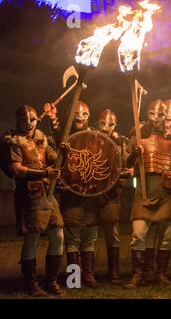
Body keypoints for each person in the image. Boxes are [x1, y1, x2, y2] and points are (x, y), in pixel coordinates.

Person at [0, 105, 64, 296]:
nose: (28, 124)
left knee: (58, 235)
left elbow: (55, 159)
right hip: (29, 194)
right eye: (24, 121)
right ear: (17, 121)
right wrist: (45, 172)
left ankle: (51, 281)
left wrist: (64, 151)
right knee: (33, 238)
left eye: (33, 120)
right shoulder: (13, 141)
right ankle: (31, 283)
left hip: (48, 193)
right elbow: (17, 170)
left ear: (38, 120)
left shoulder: (42, 139)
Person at [125, 99, 171, 288]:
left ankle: (160, 274)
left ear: (167, 117)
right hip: (144, 191)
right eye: (153, 114)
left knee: (165, 237)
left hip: (166, 193)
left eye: (161, 115)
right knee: (138, 234)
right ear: (148, 115)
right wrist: (134, 154)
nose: (157, 118)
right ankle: (138, 275)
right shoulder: (138, 138)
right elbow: (127, 164)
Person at [47, 101, 100, 288]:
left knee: (89, 238)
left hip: (91, 195)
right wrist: (53, 119)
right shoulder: (65, 138)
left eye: (84, 114)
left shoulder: (95, 137)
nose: (80, 116)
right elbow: (58, 135)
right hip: (71, 194)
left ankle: (88, 276)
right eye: (76, 113)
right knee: (73, 238)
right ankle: (74, 279)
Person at [94, 108, 131, 284]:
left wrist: (126, 172)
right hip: (90, 193)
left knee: (112, 234)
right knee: (86, 236)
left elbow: (126, 166)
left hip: (110, 193)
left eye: (110, 124)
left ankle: (114, 272)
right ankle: (82, 275)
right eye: (102, 123)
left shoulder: (120, 142)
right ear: (97, 123)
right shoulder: (89, 138)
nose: (106, 127)